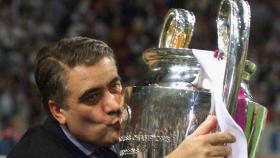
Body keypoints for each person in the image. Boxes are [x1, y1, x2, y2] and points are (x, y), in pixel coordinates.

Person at [7, 37, 235, 158]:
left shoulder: (128, 139)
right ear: (58, 111)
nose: (114, 104)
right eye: (92, 97)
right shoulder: (35, 152)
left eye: (114, 86)